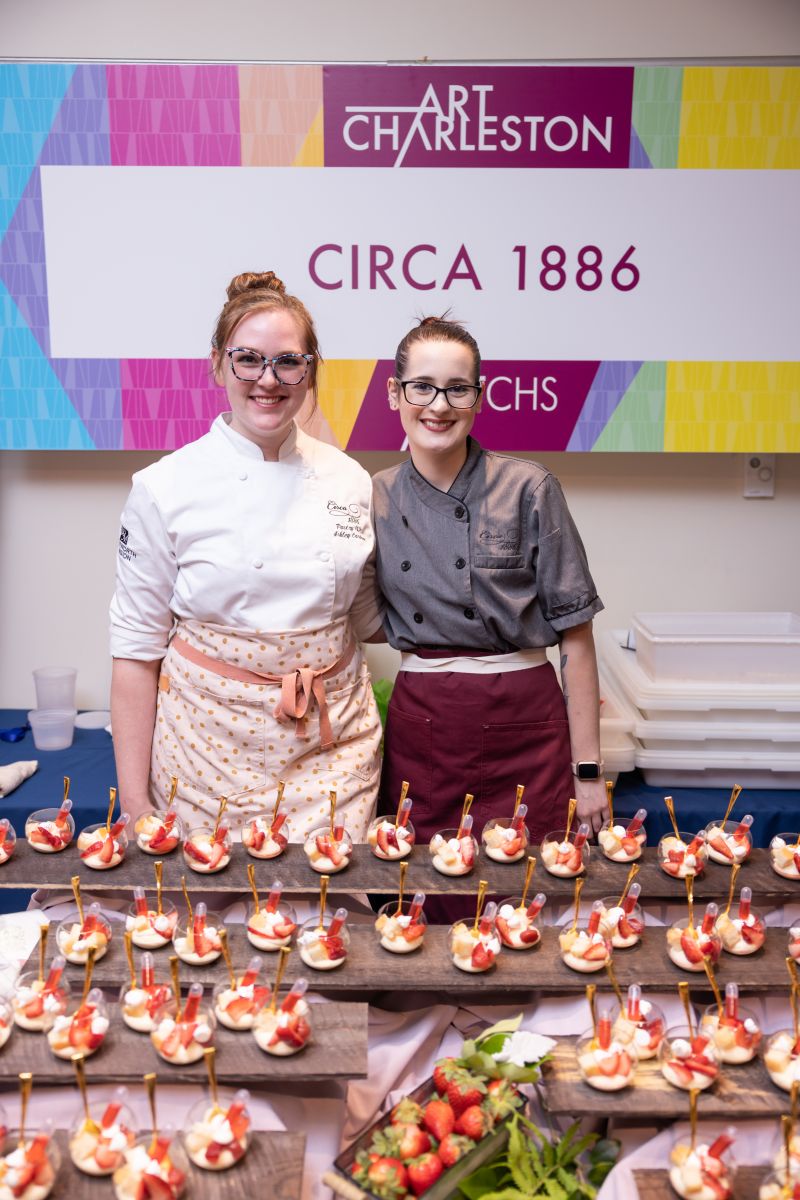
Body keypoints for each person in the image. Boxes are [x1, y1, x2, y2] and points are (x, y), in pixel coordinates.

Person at [109, 271, 383, 840]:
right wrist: (134, 802)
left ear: (310, 370)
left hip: (332, 748)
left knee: (322, 919)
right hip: (203, 747)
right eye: (248, 360)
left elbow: (368, 619)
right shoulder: (164, 487)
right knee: (203, 922)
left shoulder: (350, 479)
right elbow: (136, 649)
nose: (268, 380)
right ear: (217, 363)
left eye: (288, 361)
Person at [373, 316, 608, 895]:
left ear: (479, 398)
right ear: (394, 394)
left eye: (458, 388)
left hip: (526, 721)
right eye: (422, 386)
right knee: (422, 891)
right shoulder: (371, 496)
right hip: (425, 725)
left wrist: (590, 771)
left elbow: (576, 641)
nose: (439, 404)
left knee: (533, 890)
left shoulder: (529, 487)